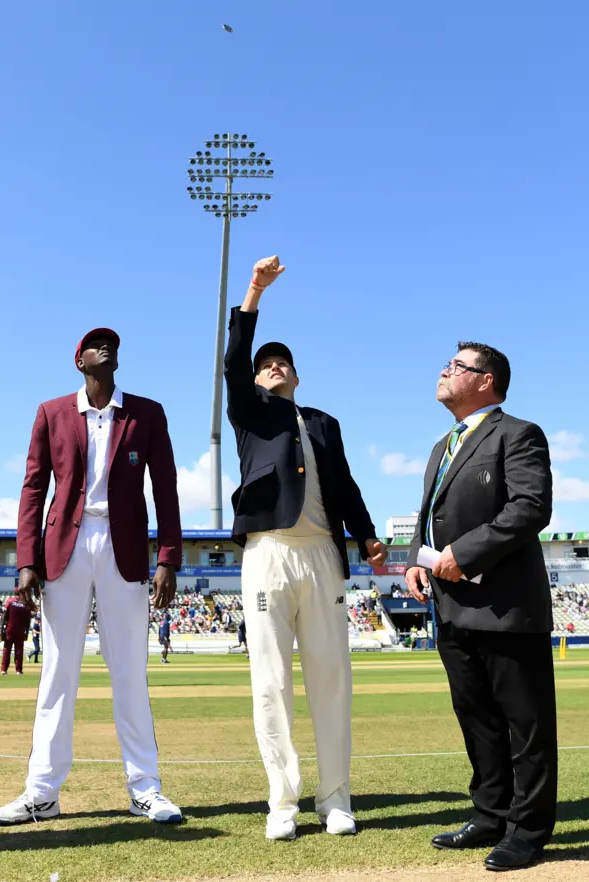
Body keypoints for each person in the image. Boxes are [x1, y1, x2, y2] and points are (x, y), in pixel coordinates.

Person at [0, 327, 183, 826]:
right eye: (97, 344)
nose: (107, 348)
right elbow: (34, 488)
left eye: (113, 344)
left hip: (124, 548)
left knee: (129, 674)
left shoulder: (147, 413)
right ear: (80, 361)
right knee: (57, 672)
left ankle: (146, 788)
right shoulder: (52, 412)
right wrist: (27, 559)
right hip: (65, 549)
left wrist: (168, 557)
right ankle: (42, 792)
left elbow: (165, 487)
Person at [224, 256, 386, 841]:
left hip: (323, 553)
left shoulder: (324, 422)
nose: (273, 369)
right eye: (266, 364)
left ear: (298, 374)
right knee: (270, 681)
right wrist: (254, 293)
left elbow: (344, 483)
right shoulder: (249, 414)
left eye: (282, 363)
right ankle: (282, 803)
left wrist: (366, 535)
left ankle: (335, 799)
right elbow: (233, 363)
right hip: (268, 550)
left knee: (331, 677)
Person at [405, 343, 556, 871]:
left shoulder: (518, 434)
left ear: (486, 380)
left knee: (525, 724)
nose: (445, 371)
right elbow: (429, 520)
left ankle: (528, 830)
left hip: (507, 607)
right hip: (451, 607)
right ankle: (490, 814)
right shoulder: (440, 447)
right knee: (477, 719)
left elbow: (531, 506)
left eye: (457, 366)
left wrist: (462, 555)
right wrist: (415, 561)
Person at [0, 588, 31, 675]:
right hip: (20, 630)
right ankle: (18, 670)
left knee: (7, 649)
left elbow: (4, 616)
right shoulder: (25, 604)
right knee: (19, 650)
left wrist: (1, 629)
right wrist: (27, 632)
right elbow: (28, 620)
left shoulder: (10, 601)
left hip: (10, 629)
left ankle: (4, 669)